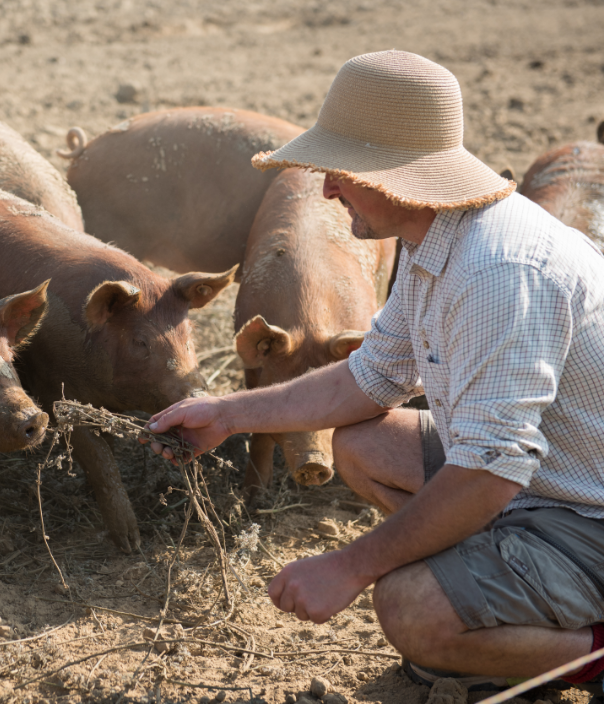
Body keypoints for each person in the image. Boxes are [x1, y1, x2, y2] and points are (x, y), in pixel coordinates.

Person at [141, 51, 604, 693]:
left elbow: (490, 473)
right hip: (542, 475)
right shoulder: (434, 244)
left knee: (409, 611)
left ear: (399, 175)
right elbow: (364, 380)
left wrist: (348, 566)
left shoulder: (500, 274)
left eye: (342, 172)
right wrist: (228, 413)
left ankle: (590, 651)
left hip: (583, 513)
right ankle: (499, 608)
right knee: (360, 443)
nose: (328, 189)